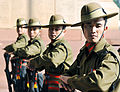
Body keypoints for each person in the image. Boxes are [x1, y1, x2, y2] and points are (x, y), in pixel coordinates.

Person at [60, 2, 120, 92]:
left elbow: (98, 82)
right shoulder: (84, 52)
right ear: (83, 29)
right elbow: (69, 72)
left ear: (105, 28)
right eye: (88, 26)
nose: (93, 30)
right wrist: (63, 80)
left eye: (98, 26)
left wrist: (70, 81)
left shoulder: (109, 55)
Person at [28, 14, 74, 92]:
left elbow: (52, 59)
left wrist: (33, 62)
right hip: (50, 84)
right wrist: (34, 66)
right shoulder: (51, 46)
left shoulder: (62, 46)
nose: (53, 32)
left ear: (64, 31)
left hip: (60, 86)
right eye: (51, 29)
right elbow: (43, 61)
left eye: (56, 29)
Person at [13, 18, 45, 92]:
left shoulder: (38, 43)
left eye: (34, 29)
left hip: (36, 76)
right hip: (30, 75)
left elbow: (27, 51)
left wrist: (15, 51)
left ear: (39, 31)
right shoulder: (31, 42)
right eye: (30, 29)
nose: (31, 32)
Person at [3, 18, 29, 92]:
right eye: (18, 27)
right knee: (16, 85)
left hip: (22, 67)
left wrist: (6, 48)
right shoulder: (20, 38)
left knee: (20, 86)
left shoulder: (24, 38)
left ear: (26, 28)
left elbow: (14, 46)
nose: (19, 29)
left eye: (22, 27)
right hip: (18, 67)